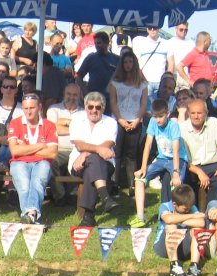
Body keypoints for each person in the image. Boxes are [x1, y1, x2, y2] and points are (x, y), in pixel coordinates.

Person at [130, 99, 189, 228]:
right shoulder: (152, 123)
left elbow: (176, 150)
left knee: (176, 185)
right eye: (155, 117)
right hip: (161, 159)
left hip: (177, 159)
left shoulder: (173, 126)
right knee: (139, 179)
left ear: (167, 114)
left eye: (160, 116)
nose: (158, 120)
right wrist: (143, 167)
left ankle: (176, 218)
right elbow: (148, 144)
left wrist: (175, 173)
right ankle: (140, 217)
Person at [68, 91, 119, 226]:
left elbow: (108, 144)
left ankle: (89, 216)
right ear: (85, 107)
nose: (94, 110)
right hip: (78, 164)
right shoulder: (77, 120)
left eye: (98, 107)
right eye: (90, 107)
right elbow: (79, 145)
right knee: (95, 162)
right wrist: (93, 151)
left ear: (103, 108)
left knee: (94, 163)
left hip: (104, 164)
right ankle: (105, 198)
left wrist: (85, 154)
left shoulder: (111, 122)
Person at [7, 93, 58, 224]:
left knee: (37, 182)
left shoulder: (49, 125)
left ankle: (28, 216)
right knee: (24, 185)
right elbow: (15, 150)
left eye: (32, 108)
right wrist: (41, 146)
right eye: (25, 108)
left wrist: (27, 148)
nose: (28, 112)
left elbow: (52, 154)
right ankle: (32, 215)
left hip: (42, 163)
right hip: (19, 162)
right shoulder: (15, 123)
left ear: (40, 107)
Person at [107, 50, 147, 193]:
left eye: (130, 62)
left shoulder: (142, 84)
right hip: (118, 120)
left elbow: (143, 104)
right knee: (116, 153)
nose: (128, 65)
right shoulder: (115, 83)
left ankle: (132, 185)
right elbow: (113, 102)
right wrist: (121, 120)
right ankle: (114, 185)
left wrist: (137, 120)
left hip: (136, 121)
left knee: (131, 154)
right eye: (125, 62)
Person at [180, 99, 217, 205]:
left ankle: (211, 209)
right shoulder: (182, 128)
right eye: (193, 113)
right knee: (182, 176)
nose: (196, 116)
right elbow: (183, 158)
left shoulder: (214, 123)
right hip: (191, 166)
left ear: (206, 113)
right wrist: (199, 172)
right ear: (188, 114)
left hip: (212, 164)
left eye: (199, 113)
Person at [153, 184, 205, 276]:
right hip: (164, 246)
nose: (188, 210)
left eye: (189, 208)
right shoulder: (165, 206)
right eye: (185, 209)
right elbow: (168, 219)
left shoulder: (191, 207)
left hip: (183, 246)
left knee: (198, 229)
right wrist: (191, 217)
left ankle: (194, 266)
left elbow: (201, 223)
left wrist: (177, 219)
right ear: (174, 205)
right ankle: (174, 266)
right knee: (171, 225)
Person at [47, 83, 83, 206]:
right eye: (68, 94)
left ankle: (73, 194)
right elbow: (52, 130)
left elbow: (85, 132)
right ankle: (60, 196)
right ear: (63, 94)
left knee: (80, 163)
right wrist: (75, 127)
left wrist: (64, 123)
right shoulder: (53, 109)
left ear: (79, 96)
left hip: (78, 149)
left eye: (74, 95)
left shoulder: (84, 112)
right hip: (58, 148)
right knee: (50, 161)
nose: (71, 97)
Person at [131, 27, 174, 105]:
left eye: (155, 28)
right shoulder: (140, 42)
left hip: (161, 82)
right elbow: (135, 63)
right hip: (145, 82)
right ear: (147, 29)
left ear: (159, 29)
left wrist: (167, 79)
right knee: (146, 108)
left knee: (161, 107)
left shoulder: (167, 43)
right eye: (150, 28)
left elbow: (171, 63)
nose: (152, 30)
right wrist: (142, 80)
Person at [77, 32, 118, 98]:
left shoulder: (116, 59)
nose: (97, 46)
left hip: (111, 97)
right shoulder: (91, 58)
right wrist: (85, 91)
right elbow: (79, 76)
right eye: (95, 43)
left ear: (107, 42)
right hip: (93, 96)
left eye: (99, 43)